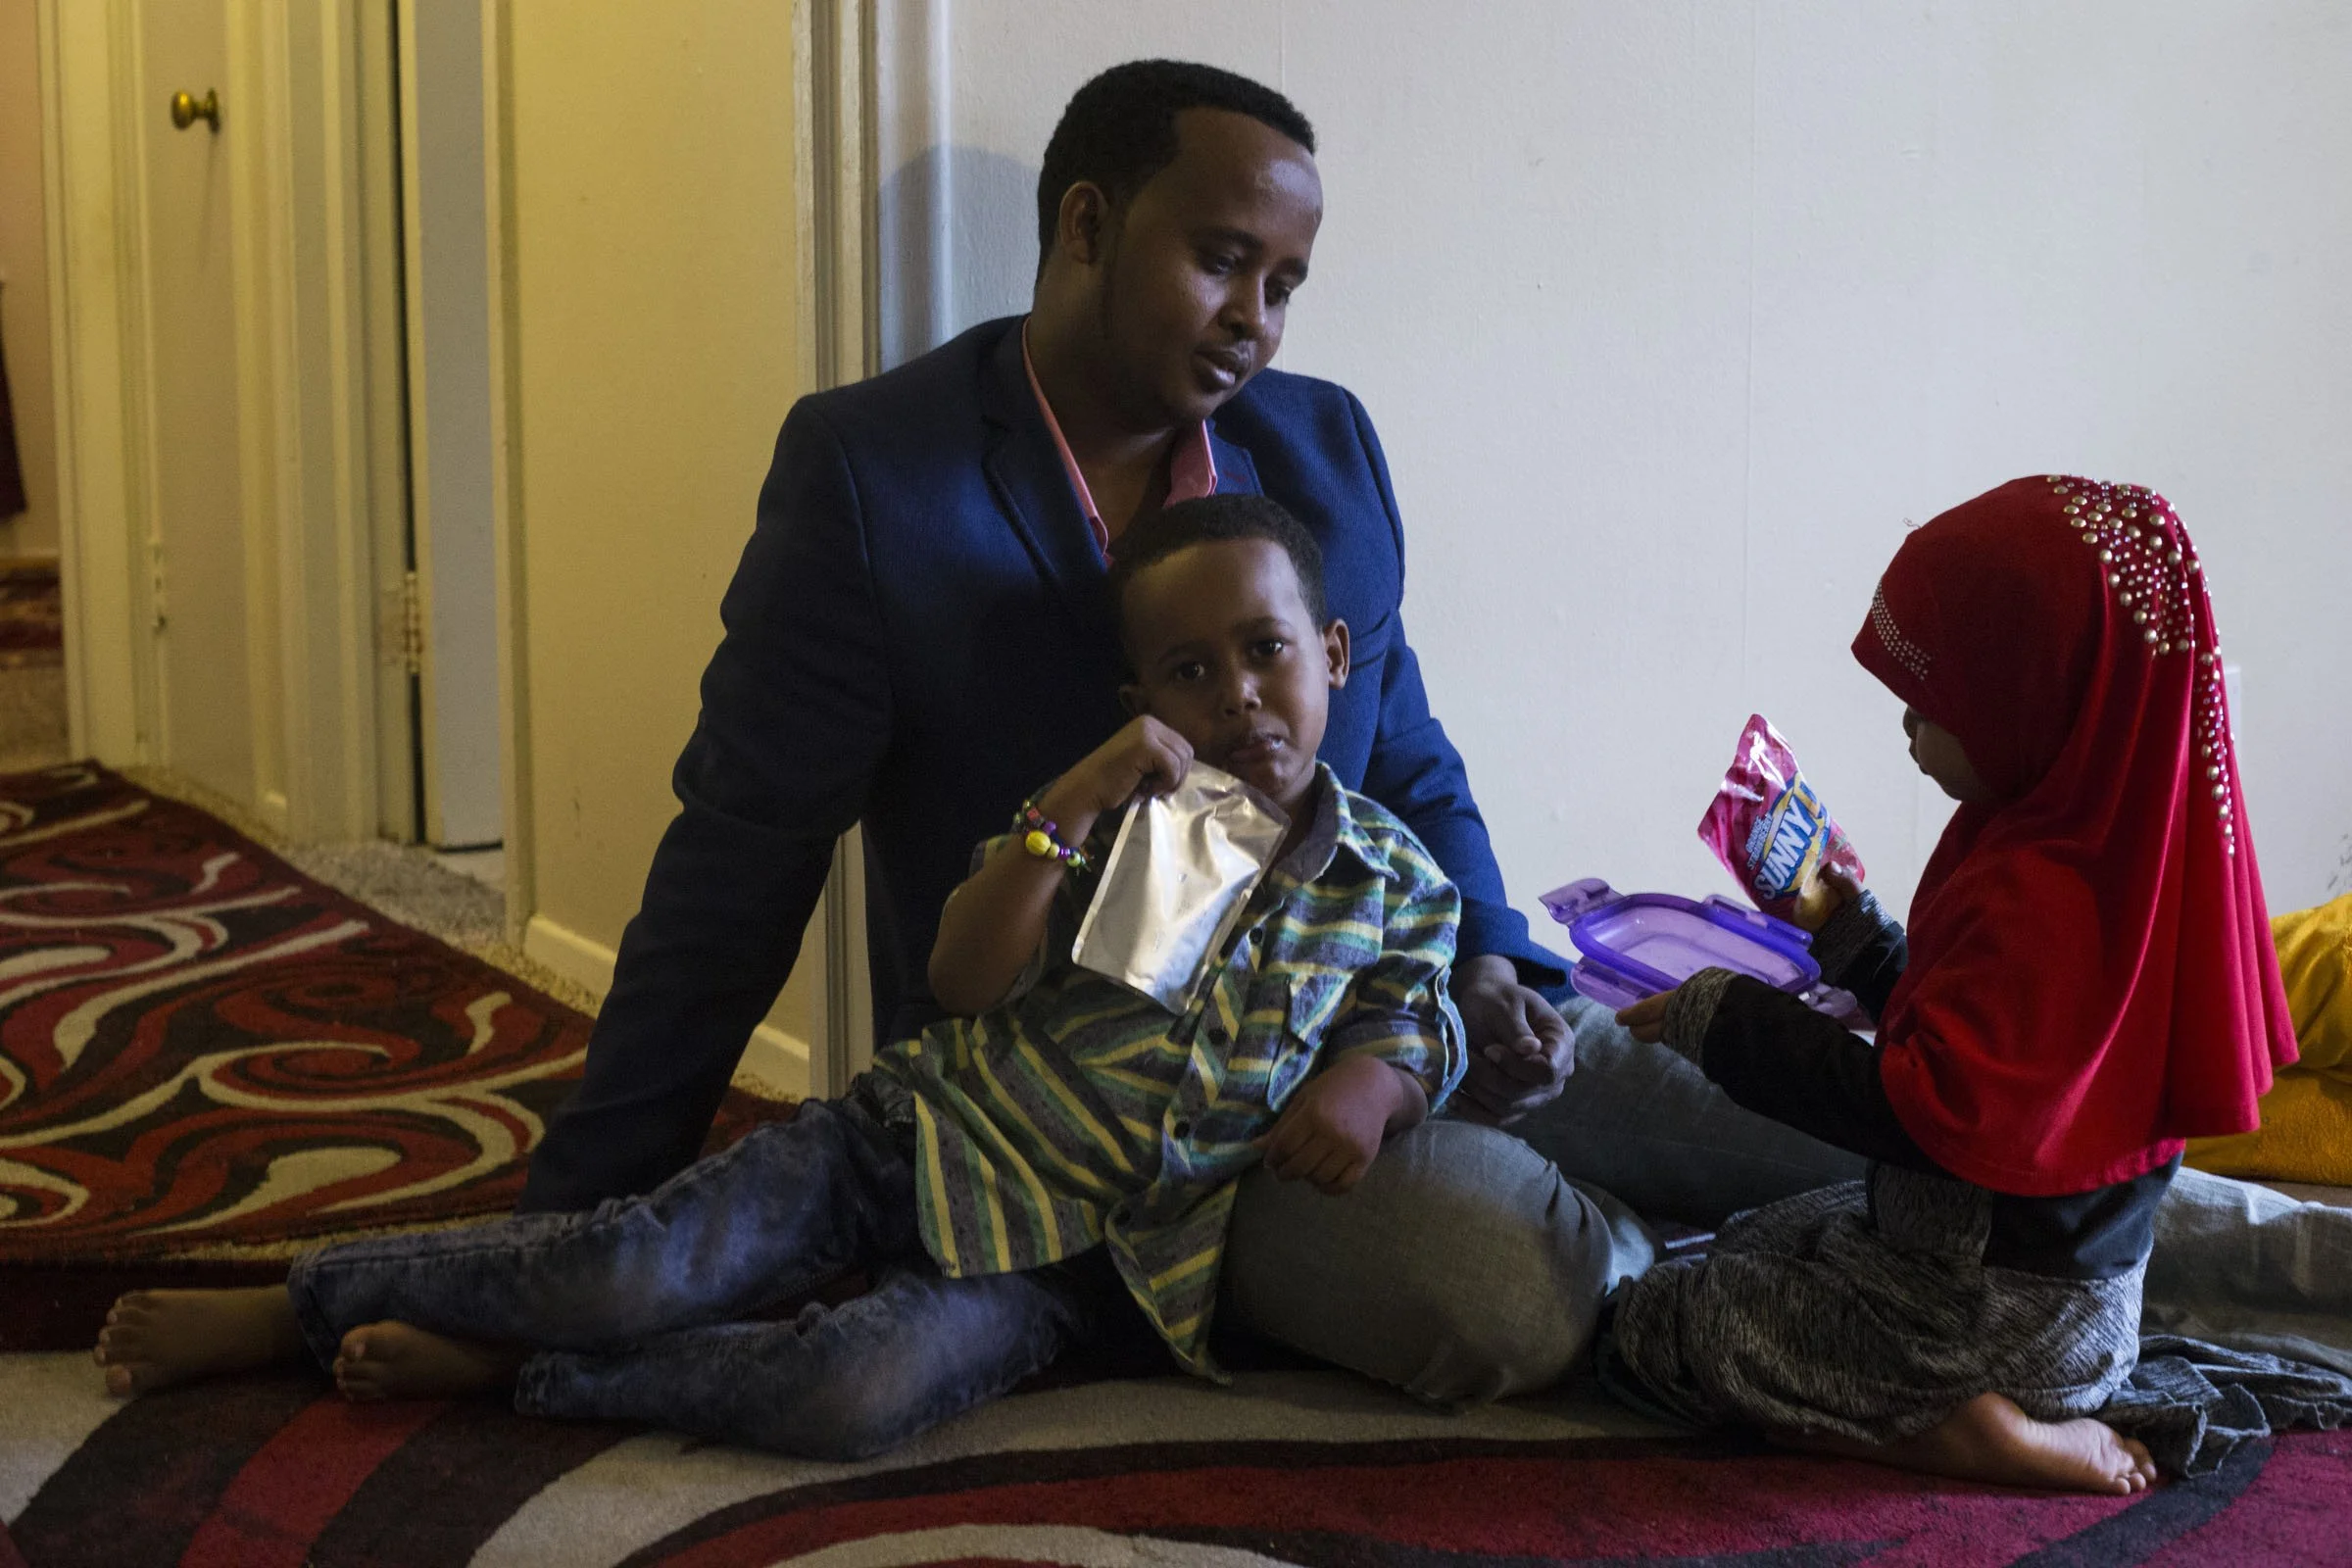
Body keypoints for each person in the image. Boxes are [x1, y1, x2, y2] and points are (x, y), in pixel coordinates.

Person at [514, 58, 1650, 1401]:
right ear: (1088, 225)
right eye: (1224, 261)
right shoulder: (875, 477)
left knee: (1748, 1100)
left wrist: (1487, 961)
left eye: (1285, 285)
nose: (1256, 323)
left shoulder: (1324, 447)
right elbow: (738, 861)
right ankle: (1649, 1260)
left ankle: (1814, 1230)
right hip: (1122, 1125)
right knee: (1514, 1284)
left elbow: (1404, 751)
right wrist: (568, 1233)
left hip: (1374, 1017)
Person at [91, 497, 1469, 1458]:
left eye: (1266, 651)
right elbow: (967, 977)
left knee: (851, 1395)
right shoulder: (1107, 821)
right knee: (631, 1264)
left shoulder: (1394, 879)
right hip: (911, 1143)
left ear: (1333, 655)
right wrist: (1069, 809)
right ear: (1141, 704)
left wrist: (1373, 1084)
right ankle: (306, 1298)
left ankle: (538, 1374)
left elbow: (1418, 1012)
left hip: (1077, 1263)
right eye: (1189, 668)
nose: (1236, 693)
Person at [1599, 475, 2299, 1493]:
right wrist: (1848, 931)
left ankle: (1955, 1431)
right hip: (2069, 1304)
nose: (1908, 733)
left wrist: (1724, 1020)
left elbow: (1918, 1112)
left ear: (2037, 697)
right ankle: (1962, 1395)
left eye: (1931, 706)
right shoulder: (2133, 856)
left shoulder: (2036, 898)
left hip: (1980, 1320)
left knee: (1660, 1323)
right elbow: (1983, 1065)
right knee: (1751, 1238)